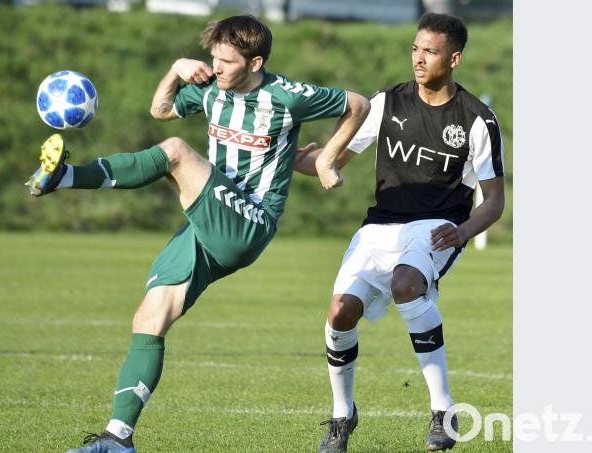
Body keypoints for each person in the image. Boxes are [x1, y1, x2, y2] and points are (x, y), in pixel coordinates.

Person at [25, 15, 370, 453]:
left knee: (175, 152)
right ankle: (118, 438)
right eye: (213, 58)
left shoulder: (286, 96)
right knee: (150, 318)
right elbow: (161, 110)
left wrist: (327, 159)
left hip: (250, 221)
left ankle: (67, 177)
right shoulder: (211, 88)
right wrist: (175, 69)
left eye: (226, 61)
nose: (217, 67)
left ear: (256, 61)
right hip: (206, 224)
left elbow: (358, 104)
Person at [294, 12, 506, 453]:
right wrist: (288, 156)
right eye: (415, 48)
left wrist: (463, 231)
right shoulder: (386, 103)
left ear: (455, 58)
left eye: (430, 51)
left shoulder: (476, 119)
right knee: (339, 312)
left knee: (408, 284)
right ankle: (341, 416)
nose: (419, 58)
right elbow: (330, 161)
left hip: (436, 227)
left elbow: (494, 201)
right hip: (379, 226)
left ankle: (443, 411)